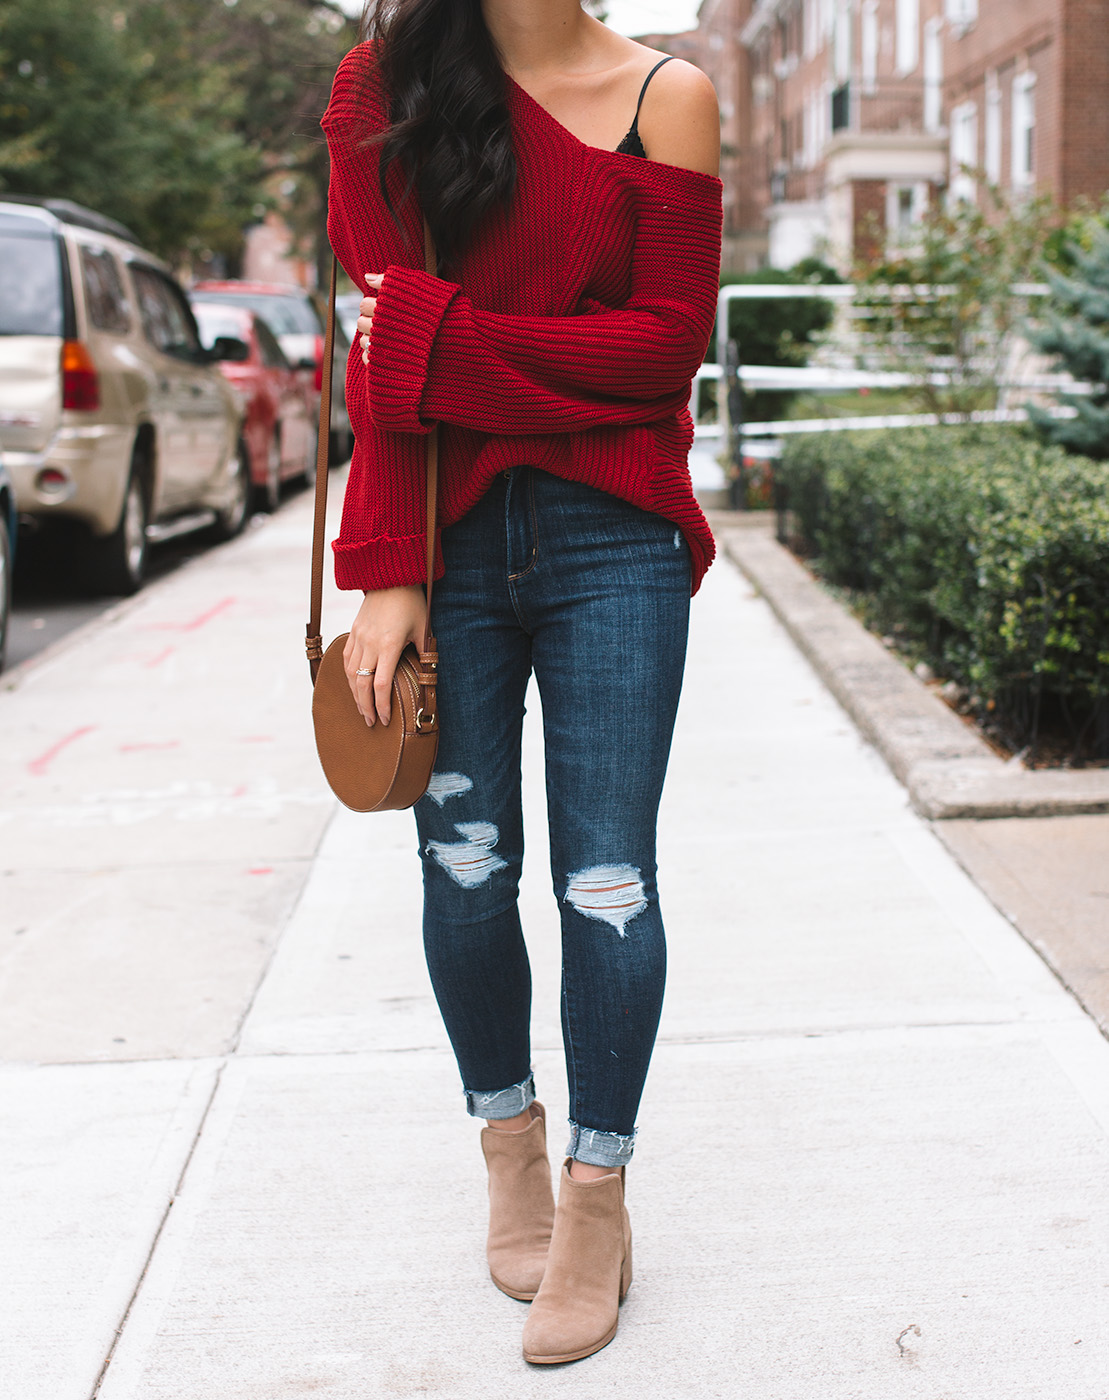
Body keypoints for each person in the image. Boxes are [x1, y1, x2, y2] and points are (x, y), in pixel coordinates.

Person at [322, 0, 721, 1365]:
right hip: (445, 545)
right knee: (465, 867)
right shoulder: (382, 89)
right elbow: (383, 364)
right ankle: (509, 1146)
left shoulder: (665, 95)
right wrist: (384, 570)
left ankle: (595, 1195)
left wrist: (448, 349)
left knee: (606, 878)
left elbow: (664, 353)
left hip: (617, 538)